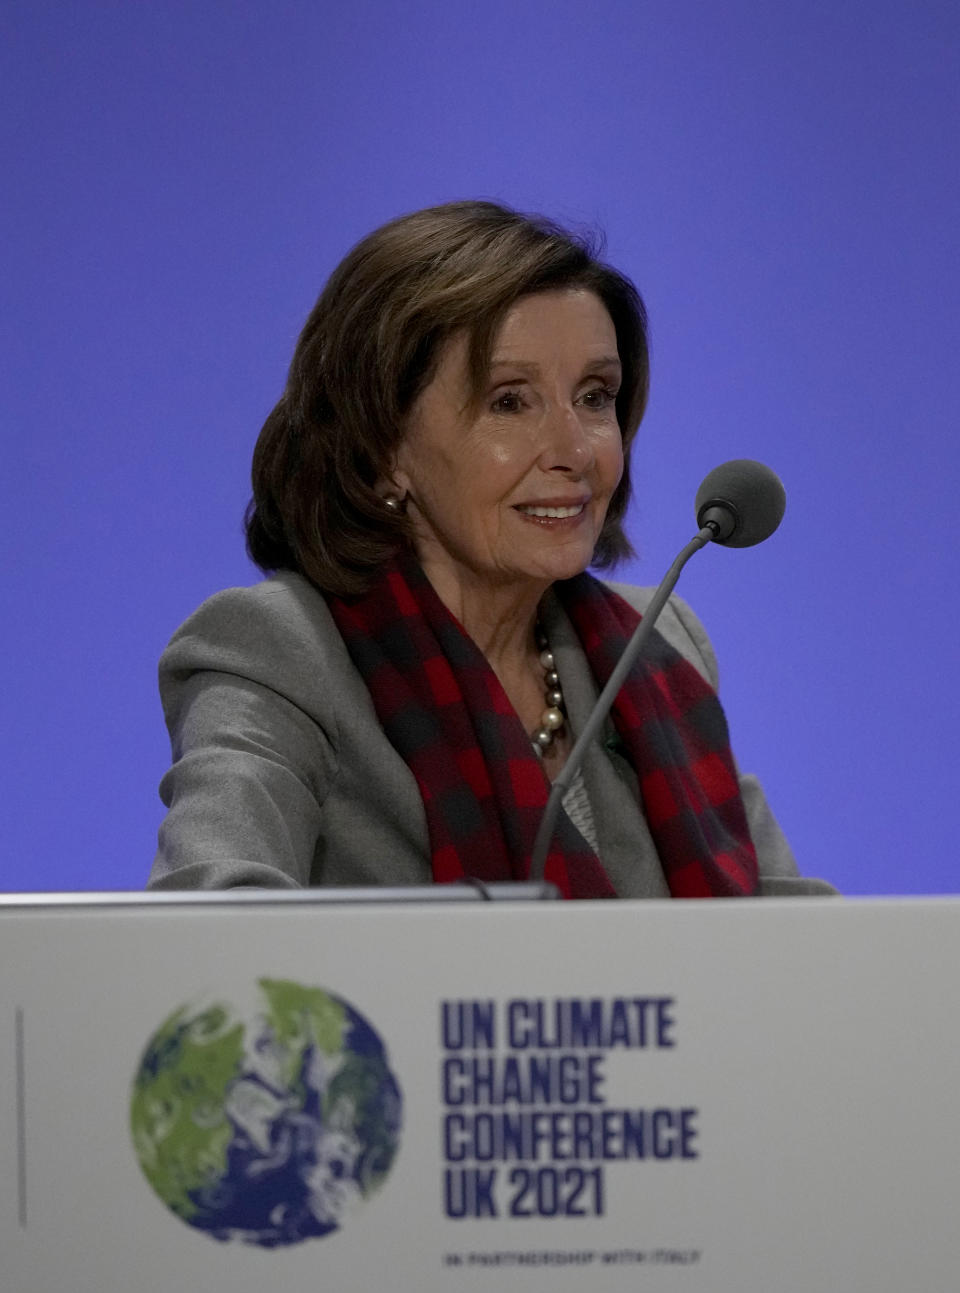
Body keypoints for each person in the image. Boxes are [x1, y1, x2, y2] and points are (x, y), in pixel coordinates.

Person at [149, 200, 827, 898]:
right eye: (509, 401)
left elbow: (796, 946)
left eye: (595, 397)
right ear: (383, 448)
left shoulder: (658, 645)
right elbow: (211, 925)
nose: (574, 450)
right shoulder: (279, 652)